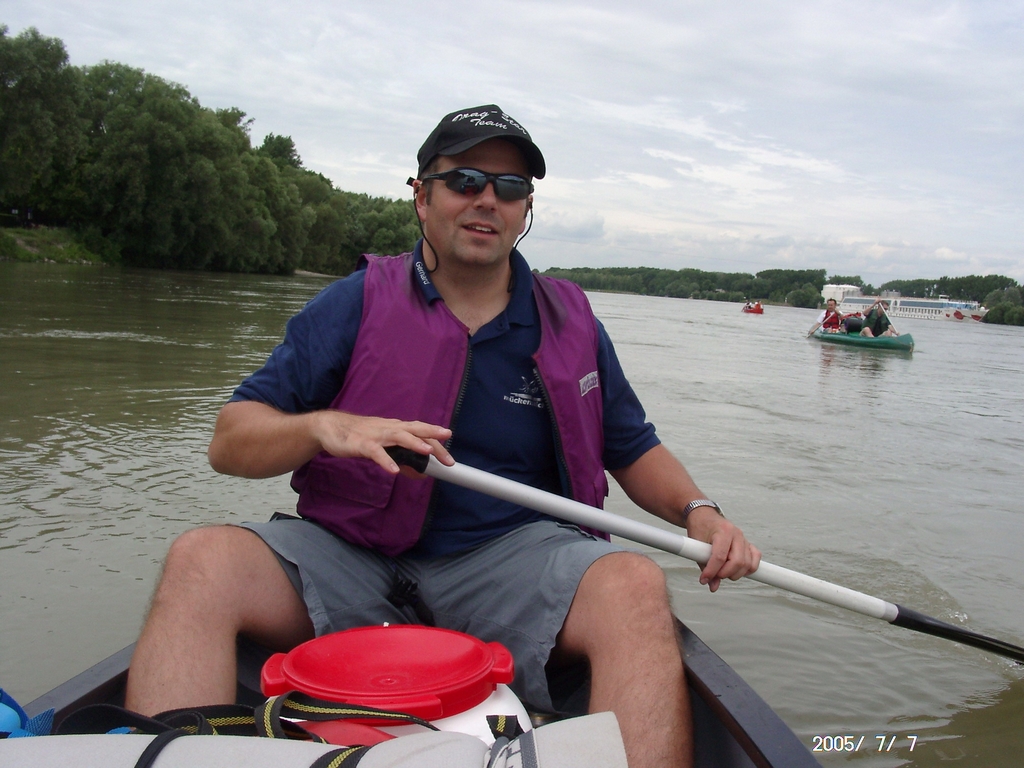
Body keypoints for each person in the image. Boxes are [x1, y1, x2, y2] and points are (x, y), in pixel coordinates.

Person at [123, 105, 761, 768]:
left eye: (509, 187)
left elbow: (631, 446)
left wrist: (701, 513)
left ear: (525, 208)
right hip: (350, 554)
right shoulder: (352, 303)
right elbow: (229, 442)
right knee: (202, 560)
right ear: (422, 197)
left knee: (633, 585)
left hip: (512, 564)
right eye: (464, 181)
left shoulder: (571, 321)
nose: (487, 200)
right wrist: (323, 426)